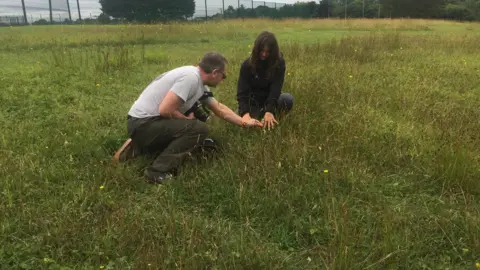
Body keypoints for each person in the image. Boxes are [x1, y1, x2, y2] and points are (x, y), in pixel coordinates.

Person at [113, 51, 263, 184]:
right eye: (223, 76)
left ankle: (139, 147)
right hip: (144, 124)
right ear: (215, 72)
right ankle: (157, 171)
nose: (223, 80)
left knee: (193, 129)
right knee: (198, 129)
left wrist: (244, 122)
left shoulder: (199, 82)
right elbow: (165, 110)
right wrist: (186, 121)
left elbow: (219, 108)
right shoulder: (190, 78)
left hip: (143, 122)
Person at [237, 31, 294, 130]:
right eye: (261, 51)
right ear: (256, 49)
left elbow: (276, 87)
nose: (264, 54)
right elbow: (242, 92)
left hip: (270, 100)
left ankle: (273, 118)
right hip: (254, 102)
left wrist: (269, 110)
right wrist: (245, 114)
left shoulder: (279, 63)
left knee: (287, 99)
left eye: (268, 52)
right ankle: (257, 116)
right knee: (250, 123)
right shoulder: (247, 65)